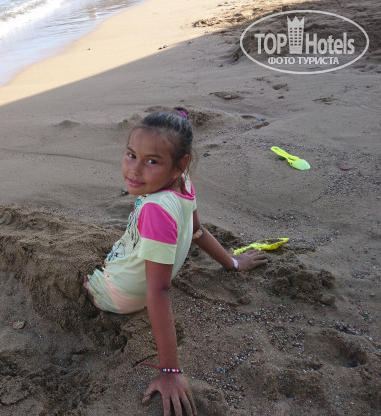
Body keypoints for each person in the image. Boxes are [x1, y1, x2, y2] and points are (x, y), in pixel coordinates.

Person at [84, 109, 268, 416]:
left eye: (152, 161)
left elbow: (160, 292)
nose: (134, 170)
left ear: (178, 165)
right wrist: (232, 263)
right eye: (131, 155)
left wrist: (170, 371)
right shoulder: (184, 183)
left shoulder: (155, 210)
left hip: (112, 295)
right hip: (131, 283)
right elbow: (197, 231)